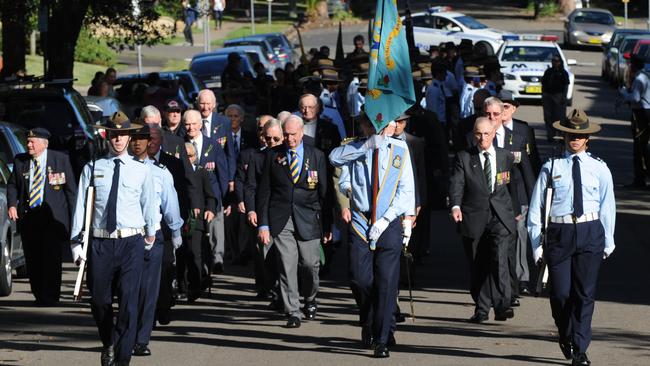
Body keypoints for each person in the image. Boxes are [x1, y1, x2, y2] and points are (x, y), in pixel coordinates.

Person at [528, 109, 615, 366]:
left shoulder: (599, 168)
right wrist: (536, 243)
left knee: (584, 294)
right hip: (560, 233)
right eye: (570, 135)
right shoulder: (551, 166)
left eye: (580, 135)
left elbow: (607, 206)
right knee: (561, 294)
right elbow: (536, 208)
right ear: (563, 136)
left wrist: (608, 240)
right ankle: (565, 333)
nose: (574, 140)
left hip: (590, 231)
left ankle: (580, 349)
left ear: (587, 138)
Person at [69, 112, 157, 366]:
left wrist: (150, 235)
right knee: (99, 300)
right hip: (100, 242)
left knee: (129, 302)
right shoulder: (94, 167)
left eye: (123, 135)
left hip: (131, 241)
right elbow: (81, 206)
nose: (118, 140)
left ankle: (121, 358)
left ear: (129, 137)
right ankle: (108, 340)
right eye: (114, 135)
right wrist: (76, 242)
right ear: (107, 135)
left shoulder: (141, 171)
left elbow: (149, 205)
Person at [329, 120, 415, 358]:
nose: (378, 130)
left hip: (388, 221)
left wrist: (385, 220)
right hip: (360, 219)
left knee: (386, 283)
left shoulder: (400, 150)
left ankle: (382, 338)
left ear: (391, 126)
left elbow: (406, 191)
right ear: (365, 127)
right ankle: (370, 319)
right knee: (360, 279)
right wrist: (366, 146)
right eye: (371, 125)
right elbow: (334, 160)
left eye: (384, 125)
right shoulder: (354, 147)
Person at [256, 115, 332, 328]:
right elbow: (264, 192)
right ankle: (293, 311)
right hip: (281, 219)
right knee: (287, 265)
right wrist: (263, 224)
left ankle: (309, 298)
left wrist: (328, 224)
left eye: (293, 134)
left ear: (302, 133)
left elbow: (325, 194)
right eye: (286, 135)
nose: (289, 139)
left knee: (309, 264)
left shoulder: (316, 155)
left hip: (309, 217)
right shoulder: (273, 156)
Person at [449, 117, 518, 324]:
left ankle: (503, 303)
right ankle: (481, 308)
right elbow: (457, 184)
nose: (482, 138)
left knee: (499, 260)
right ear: (473, 134)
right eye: (478, 134)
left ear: (494, 134)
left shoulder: (505, 156)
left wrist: (515, 211)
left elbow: (511, 186)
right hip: (474, 216)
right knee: (478, 264)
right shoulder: (464, 157)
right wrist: (455, 206)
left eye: (487, 134)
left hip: (501, 217)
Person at [129, 124, 183, 357]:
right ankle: (128, 331)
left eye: (148, 139)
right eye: (139, 139)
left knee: (150, 288)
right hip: (128, 235)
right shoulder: (122, 168)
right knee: (129, 288)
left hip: (154, 235)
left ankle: (141, 339)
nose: (144, 143)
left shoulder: (161, 172)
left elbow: (170, 205)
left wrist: (176, 231)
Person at [7, 128, 77, 306]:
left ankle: (51, 296)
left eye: (32, 142)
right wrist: (12, 204)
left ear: (44, 143)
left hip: (53, 218)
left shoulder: (60, 160)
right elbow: (13, 185)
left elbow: (71, 192)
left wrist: (74, 219)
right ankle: (39, 294)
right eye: (28, 141)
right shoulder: (20, 161)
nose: (29, 145)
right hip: (29, 217)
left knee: (51, 258)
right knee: (33, 258)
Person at [184, 109, 229, 286]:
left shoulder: (213, 144)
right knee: (194, 243)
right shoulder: (181, 144)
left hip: (211, 200)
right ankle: (196, 275)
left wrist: (219, 199)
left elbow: (222, 173)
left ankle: (211, 266)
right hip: (191, 203)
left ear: (201, 125)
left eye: (194, 123)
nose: (190, 127)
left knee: (211, 240)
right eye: (187, 124)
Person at [196, 89, 236, 273]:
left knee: (217, 215)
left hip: (218, 175)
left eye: (207, 103)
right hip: (199, 175)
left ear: (214, 105)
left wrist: (230, 179)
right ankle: (204, 254)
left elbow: (230, 153)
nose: (204, 107)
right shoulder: (192, 120)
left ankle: (218, 256)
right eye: (201, 103)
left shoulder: (224, 122)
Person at [183, 141, 217, 302]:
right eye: (185, 155)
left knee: (194, 253)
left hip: (196, 220)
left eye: (191, 155)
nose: (188, 159)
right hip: (180, 217)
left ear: (196, 156)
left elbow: (210, 195)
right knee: (180, 254)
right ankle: (182, 286)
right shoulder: (176, 171)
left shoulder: (201, 172)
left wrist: (210, 209)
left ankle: (195, 285)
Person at [619, 54, 650, 188]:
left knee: (640, 148)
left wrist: (624, 93)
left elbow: (636, 98)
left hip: (641, 114)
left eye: (631, 63)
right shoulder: (645, 76)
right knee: (643, 147)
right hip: (643, 113)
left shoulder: (639, 79)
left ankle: (640, 180)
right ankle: (641, 178)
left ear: (634, 65)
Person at [542, 55, 570, 142]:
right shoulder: (548, 71)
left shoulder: (563, 72)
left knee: (560, 117)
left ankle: (561, 136)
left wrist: (564, 97)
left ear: (560, 62)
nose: (555, 62)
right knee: (548, 116)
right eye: (553, 61)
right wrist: (543, 95)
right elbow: (543, 83)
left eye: (557, 61)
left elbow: (566, 85)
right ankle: (550, 135)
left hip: (558, 96)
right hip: (547, 96)